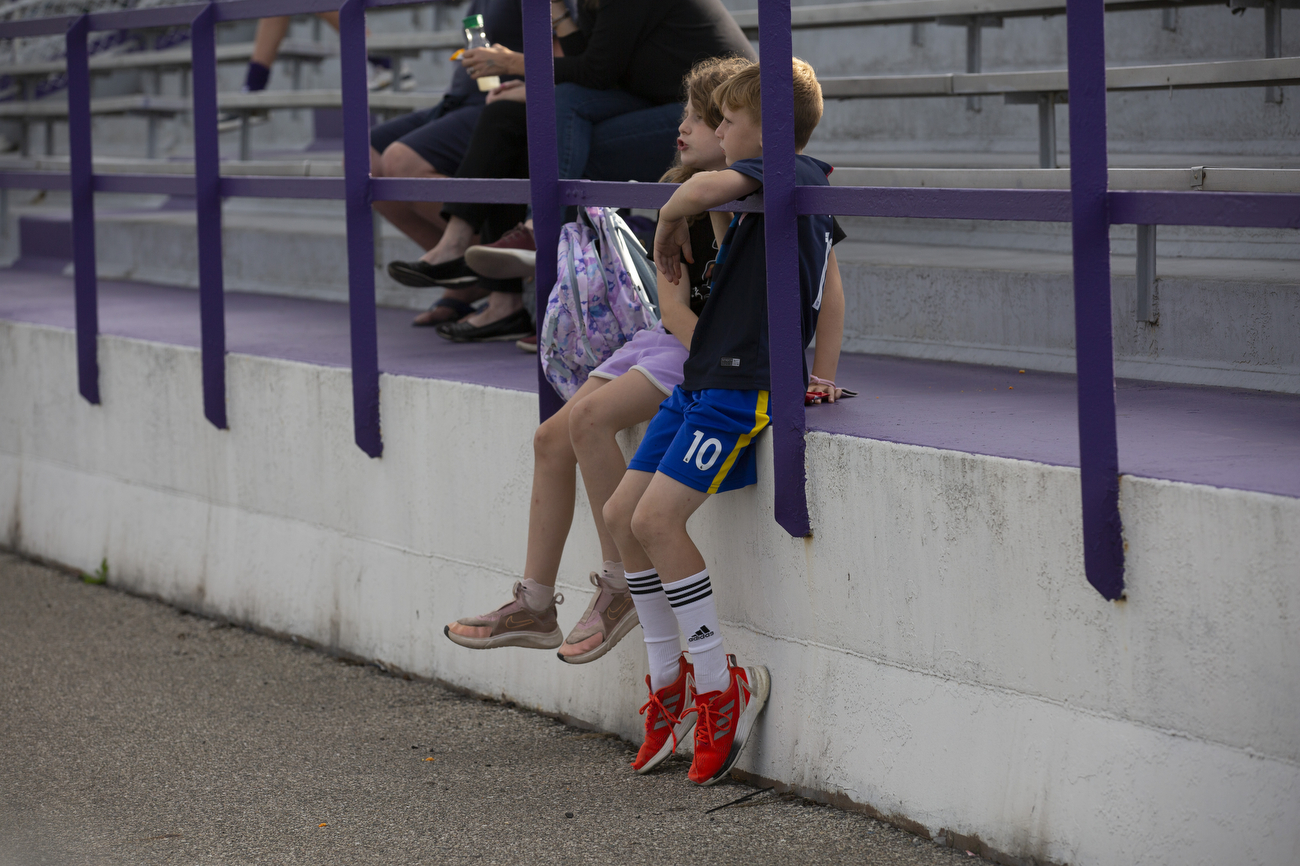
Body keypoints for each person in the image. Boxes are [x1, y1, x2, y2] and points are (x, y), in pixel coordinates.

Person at [441, 56, 758, 660]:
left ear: (733, 131)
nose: (684, 128)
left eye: (702, 118)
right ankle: (535, 605)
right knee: (548, 440)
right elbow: (673, 308)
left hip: (702, 354)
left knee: (587, 421)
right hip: (675, 340)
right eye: (686, 116)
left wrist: (724, 363)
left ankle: (619, 586)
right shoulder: (679, 200)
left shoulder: (752, 206)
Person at [601, 58, 843, 786]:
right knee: (621, 514)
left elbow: (706, 187)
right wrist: (685, 219)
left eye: (729, 120)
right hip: (707, 378)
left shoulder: (794, 173)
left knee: (657, 523)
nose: (720, 130)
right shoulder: (748, 190)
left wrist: (671, 218)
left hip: (746, 386)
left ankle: (716, 687)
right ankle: (667, 681)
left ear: (766, 132)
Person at [384, 0, 755, 337]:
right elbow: (593, 64)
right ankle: (484, 263)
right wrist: (559, 15)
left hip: (716, 118)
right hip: (653, 101)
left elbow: (597, 71)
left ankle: (552, 270)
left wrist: (515, 63)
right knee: (510, 118)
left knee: (559, 143)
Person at [369, 0, 525, 327]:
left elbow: (575, 50)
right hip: (458, 99)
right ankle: (473, 272)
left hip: (501, 102)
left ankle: (490, 266)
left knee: (402, 160)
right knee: (363, 158)